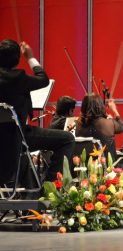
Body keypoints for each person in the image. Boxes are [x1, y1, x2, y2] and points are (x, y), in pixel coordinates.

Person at [0, 39, 75, 183]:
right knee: (67, 139)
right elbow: (43, 79)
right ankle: (50, 186)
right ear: (16, 59)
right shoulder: (18, 78)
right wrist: (30, 57)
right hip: (17, 136)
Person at [74, 93, 123, 177]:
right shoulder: (109, 123)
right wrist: (114, 110)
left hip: (86, 170)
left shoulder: (77, 125)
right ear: (100, 106)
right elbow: (121, 127)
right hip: (108, 169)